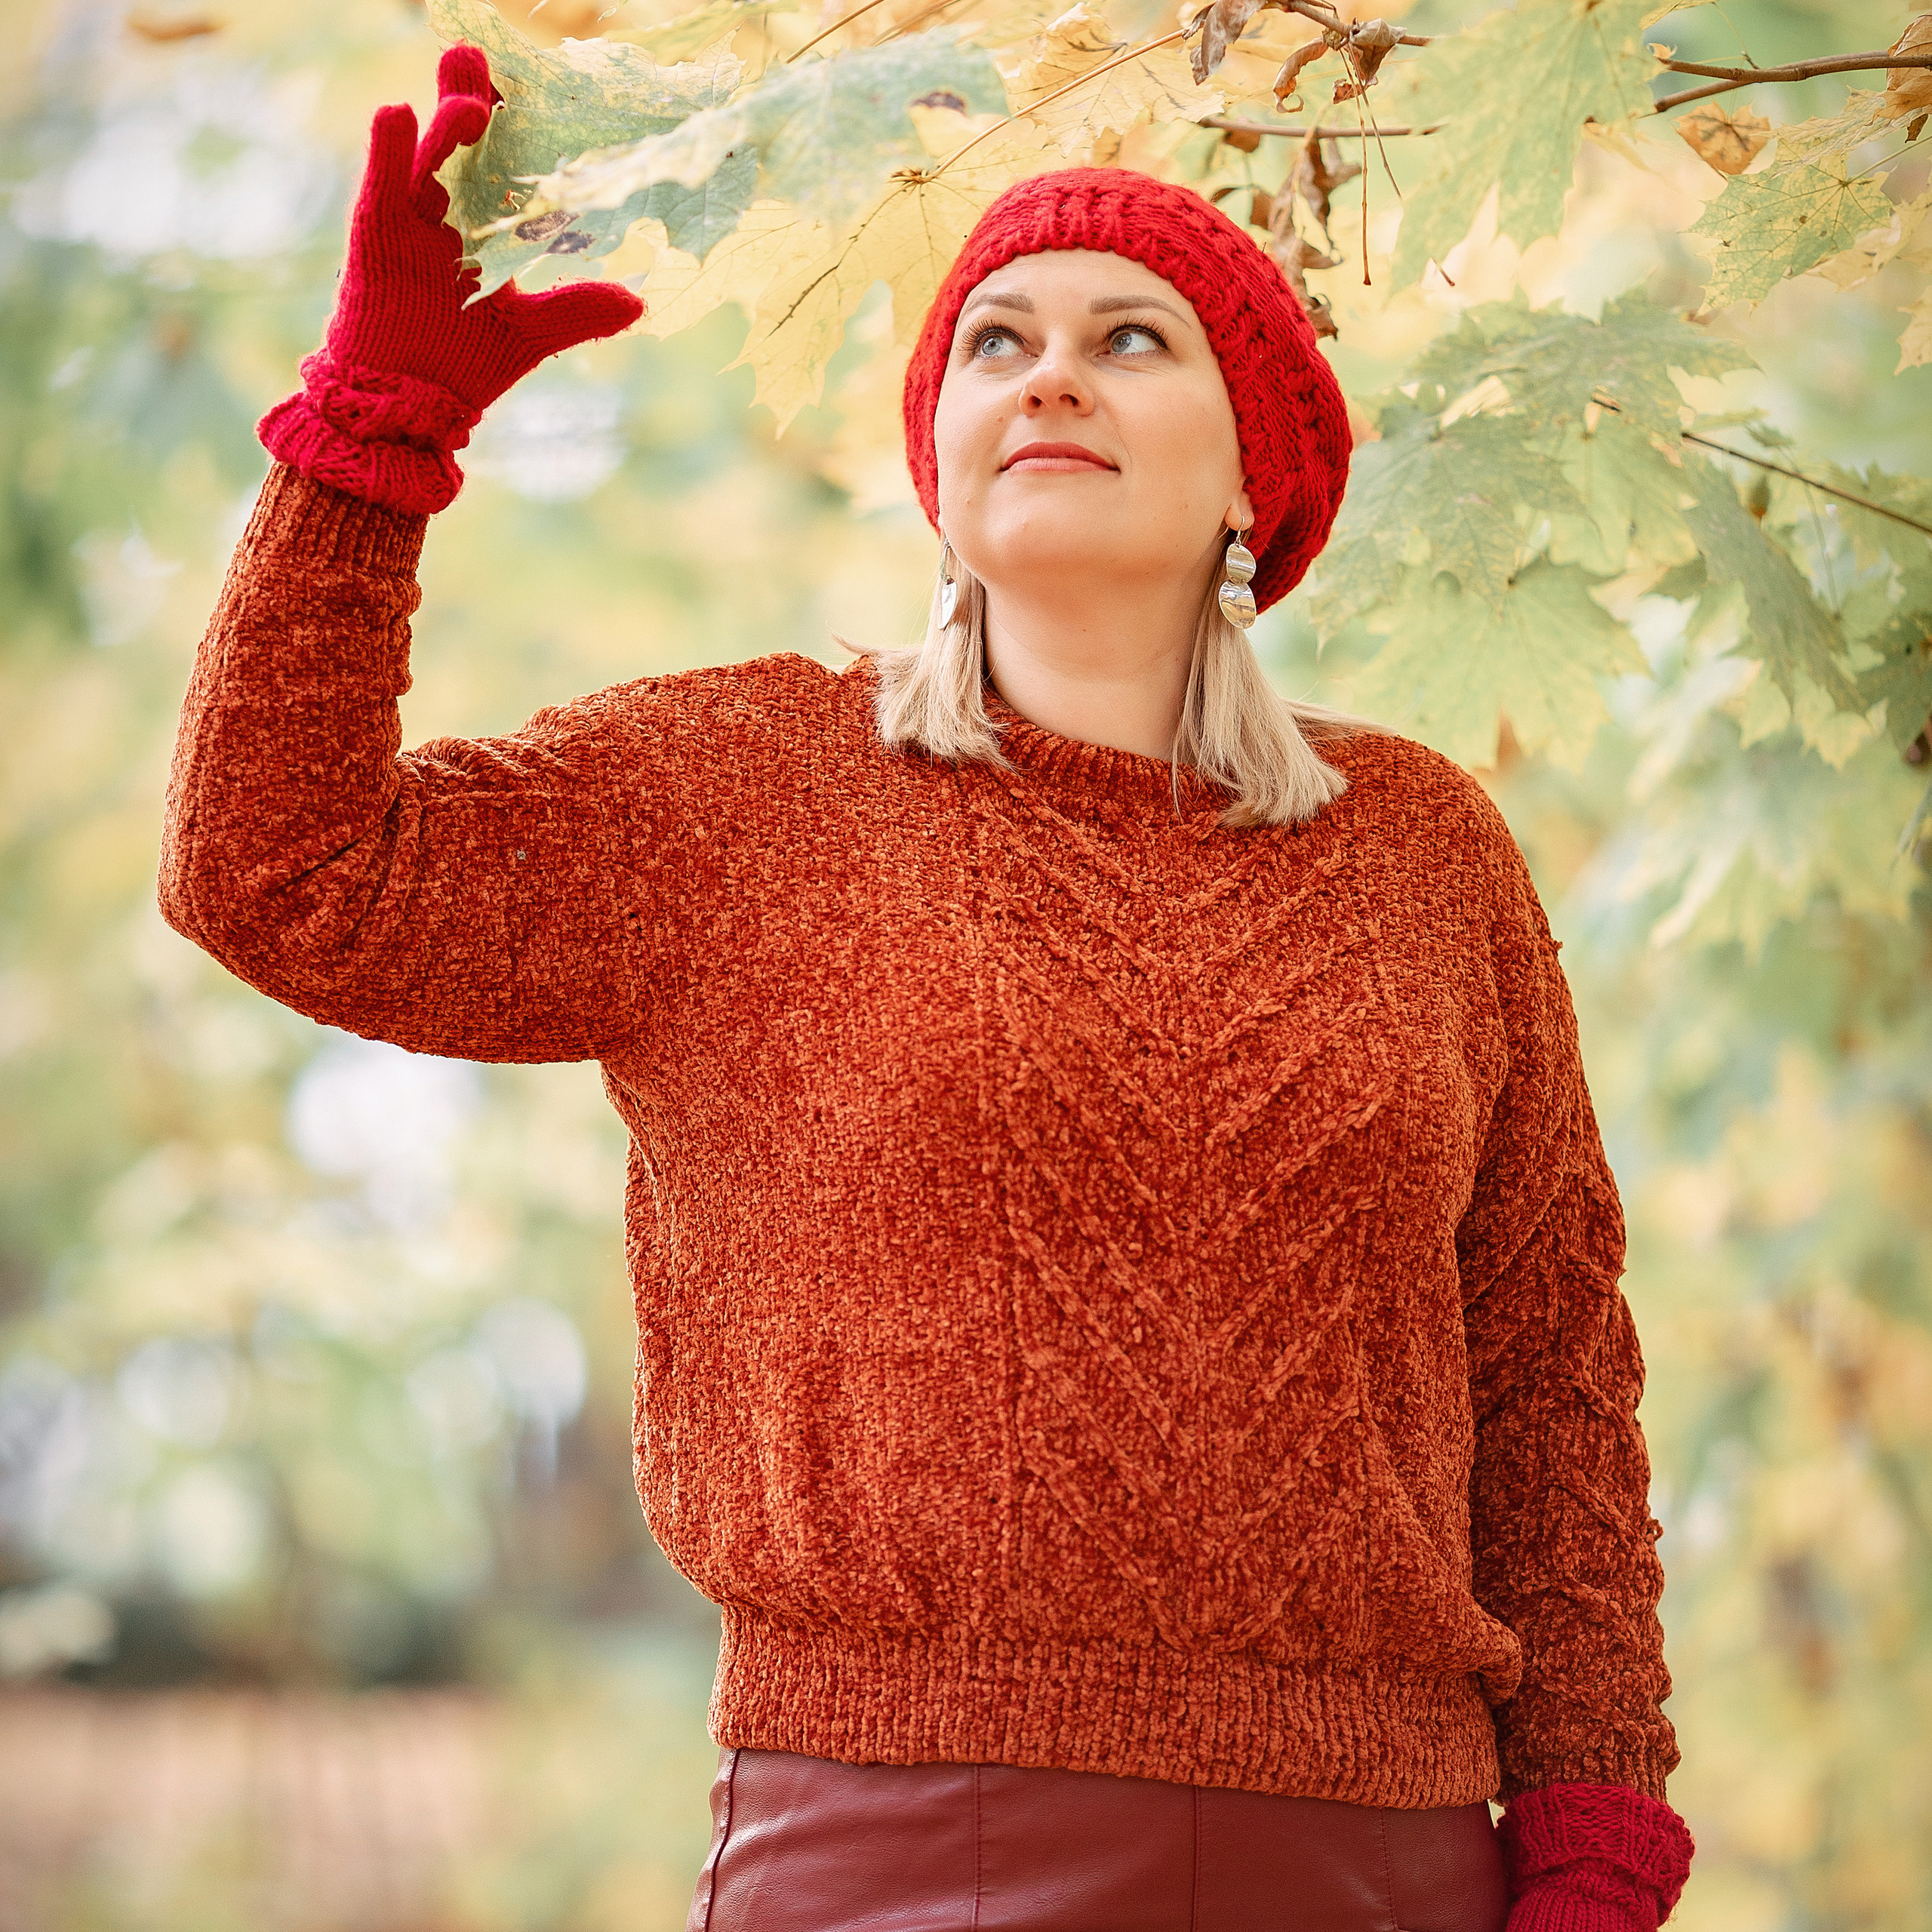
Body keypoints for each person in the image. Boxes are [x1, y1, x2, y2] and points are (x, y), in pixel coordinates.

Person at [159, 42, 1697, 1932]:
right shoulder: (743, 790)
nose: (1049, 371)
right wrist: (370, 438)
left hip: (1385, 1856)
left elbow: (1547, 1369)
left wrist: (1595, 1826)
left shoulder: (1423, 847)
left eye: (1129, 338)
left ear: (1256, 470)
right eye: (995, 340)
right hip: (896, 1850)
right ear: (941, 461)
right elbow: (276, 867)